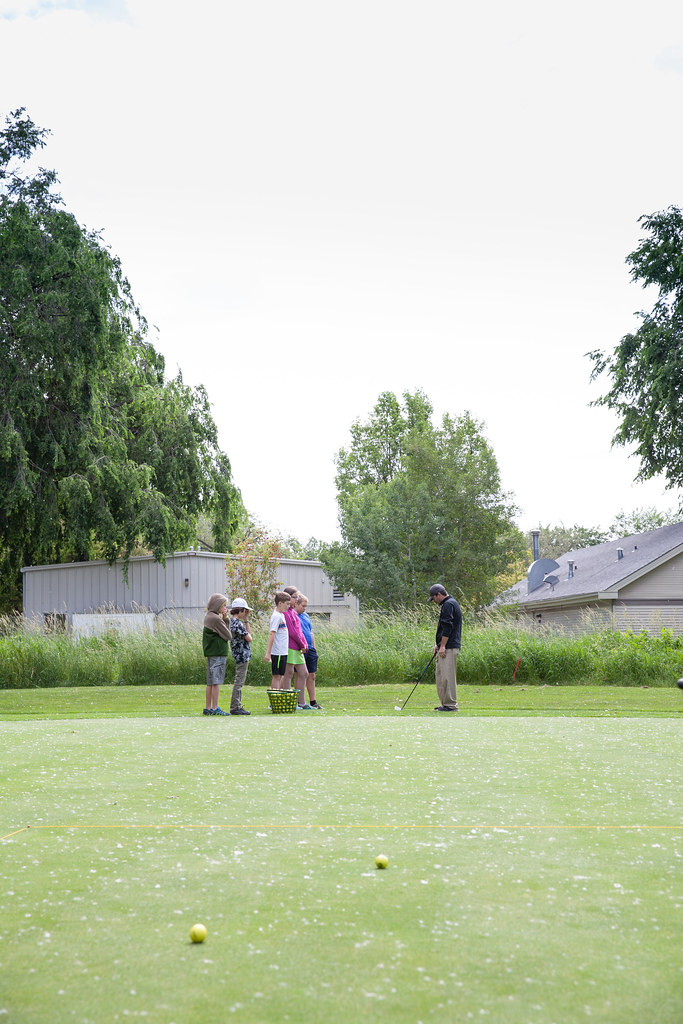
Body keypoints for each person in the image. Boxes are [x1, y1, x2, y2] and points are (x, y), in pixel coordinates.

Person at [428, 583, 462, 712]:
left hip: (449, 646)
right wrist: (438, 644)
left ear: (439, 594)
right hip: (444, 646)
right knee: (441, 676)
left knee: (447, 676)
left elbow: (448, 626)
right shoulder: (448, 604)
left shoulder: (449, 604)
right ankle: (444, 704)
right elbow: (443, 627)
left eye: (434, 598)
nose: (434, 601)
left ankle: (451, 705)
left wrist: (442, 646)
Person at [202, 592, 232, 716]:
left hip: (211, 653)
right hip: (218, 653)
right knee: (216, 681)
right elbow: (228, 635)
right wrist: (225, 618)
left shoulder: (209, 616)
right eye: (223, 606)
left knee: (210, 681)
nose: (225, 608)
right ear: (217, 606)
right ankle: (215, 708)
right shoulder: (215, 618)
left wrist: (224, 618)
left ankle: (208, 707)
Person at [282, 586, 310, 709]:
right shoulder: (286, 613)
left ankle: (301, 702)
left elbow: (299, 631)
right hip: (290, 646)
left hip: (298, 648)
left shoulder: (293, 612)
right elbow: (292, 632)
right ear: (288, 597)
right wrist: (301, 644)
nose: (297, 599)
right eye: (295, 597)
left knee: (304, 673)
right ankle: (288, 701)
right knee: (288, 673)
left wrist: (304, 643)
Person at [296, 593, 322, 710]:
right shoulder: (293, 615)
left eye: (306, 606)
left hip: (310, 648)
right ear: (296, 604)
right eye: (303, 605)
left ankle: (313, 701)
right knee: (300, 674)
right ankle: (299, 701)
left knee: (311, 675)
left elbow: (310, 632)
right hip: (299, 649)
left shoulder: (306, 616)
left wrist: (313, 647)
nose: (305, 608)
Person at [228, 598, 252, 715]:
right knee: (239, 681)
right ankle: (235, 706)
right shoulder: (238, 624)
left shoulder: (231, 622)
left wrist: (246, 620)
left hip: (238, 655)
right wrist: (246, 621)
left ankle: (237, 705)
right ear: (241, 610)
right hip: (242, 656)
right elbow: (249, 637)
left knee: (239, 680)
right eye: (245, 611)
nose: (246, 614)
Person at [265, 591, 291, 689]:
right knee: (277, 676)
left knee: (281, 675)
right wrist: (268, 653)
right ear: (280, 603)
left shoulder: (281, 615)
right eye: (287, 604)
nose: (288, 606)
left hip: (283, 651)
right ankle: (273, 701)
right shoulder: (276, 616)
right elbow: (272, 633)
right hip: (278, 652)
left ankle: (278, 698)